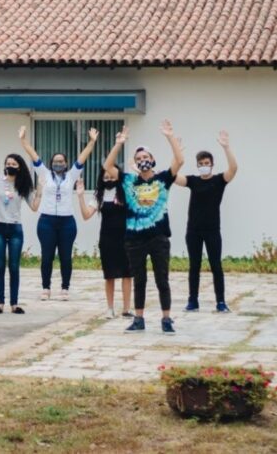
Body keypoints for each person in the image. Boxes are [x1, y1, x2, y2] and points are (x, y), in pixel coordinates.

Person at [102, 121, 185, 335]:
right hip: (134, 239)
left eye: (146, 158)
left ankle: (166, 319)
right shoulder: (129, 180)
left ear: (152, 160)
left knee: (161, 279)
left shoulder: (163, 179)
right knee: (140, 279)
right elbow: (108, 167)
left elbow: (180, 160)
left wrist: (170, 136)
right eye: (139, 159)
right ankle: (139, 318)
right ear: (135, 164)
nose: (143, 161)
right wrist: (118, 143)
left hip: (158, 238)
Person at [18, 125, 100, 301]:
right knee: (47, 256)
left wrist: (92, 142)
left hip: (66, 222)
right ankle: (46, 287)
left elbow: (82, 158)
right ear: (51, 163)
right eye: (55, 161)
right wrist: (23, 140)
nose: (58, 163)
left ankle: (65, 288)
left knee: (65, 257)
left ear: (66, 163)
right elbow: (34, 156)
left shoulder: (71, 175)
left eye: (61, 161)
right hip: (47, 221)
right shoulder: (45, 174)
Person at [174, 131, 238, 313]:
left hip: (212, 230)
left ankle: (221, 302)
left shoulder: (219, 180)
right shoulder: (193, 181)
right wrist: (177, 154)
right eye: (201, 164)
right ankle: (192, 300)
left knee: (216, 265)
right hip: (193, 230)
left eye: (206, 164)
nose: (204, 166)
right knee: (194, 266)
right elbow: (173, 177)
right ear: (197, 165)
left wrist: (226, 147)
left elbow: (233, 169)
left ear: (212, 165)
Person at [0, 154, 40, 315]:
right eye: (8, 163)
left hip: (15, 229)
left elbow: (34, 206)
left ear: (19, 167)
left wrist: (40, 191)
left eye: (13, 163)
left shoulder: (22, 185)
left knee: (13, 266)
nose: (10, 165)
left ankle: (14, 304)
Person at [76, 166, 133, 319]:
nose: (109, 180)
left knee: (127, 273)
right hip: (107, 239)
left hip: (126, 237)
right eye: (106, 178)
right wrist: (80, 196)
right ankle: (110, 308)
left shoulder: (125, 192)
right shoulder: (99, 195)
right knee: (110, 275)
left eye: (112, 177)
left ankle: (127, 308)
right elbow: (86, 215)